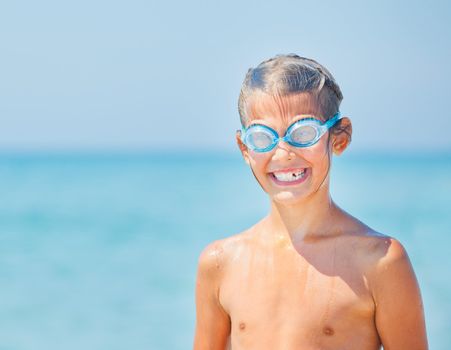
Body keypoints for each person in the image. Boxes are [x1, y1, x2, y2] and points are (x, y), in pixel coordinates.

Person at [193, 54, 428, 350]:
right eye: (263, 138)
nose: (283, 153)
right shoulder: (220, 263)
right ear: (244, 148)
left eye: (303, 133)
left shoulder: (380, 261)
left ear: (339, 138)